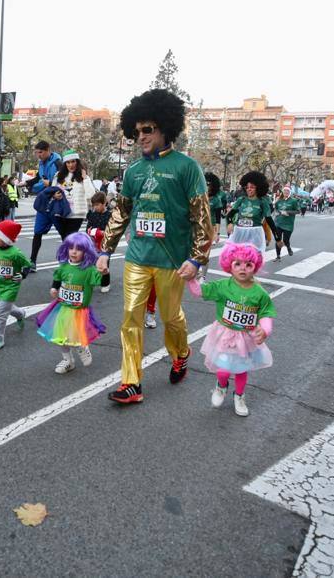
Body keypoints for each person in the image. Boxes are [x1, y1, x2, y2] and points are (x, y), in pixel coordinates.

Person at [97, 89, 214, 404]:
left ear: (166, 127)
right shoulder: (133, 171)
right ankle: (131, 383)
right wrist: (105, 250)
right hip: (137, 258)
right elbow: (121, 212)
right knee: (130, 320)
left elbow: (203, 218)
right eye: (137, 131)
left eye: (147, 130)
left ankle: (181, 352)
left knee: (170, 317)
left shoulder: (187, 168)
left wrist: (198, 258)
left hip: (172, 261)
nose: (141, 137)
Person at [187, 242, 275, 417]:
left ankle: (239, 395)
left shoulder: (260, 293)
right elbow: (200, 292)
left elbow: (266, 313)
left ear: (255, 267)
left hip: (246, 338)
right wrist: (191, 278)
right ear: (229, 265)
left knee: (241, 370)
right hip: (225, 334)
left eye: (248, 265)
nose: (243, 269)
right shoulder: (222, 286)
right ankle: (221, 386)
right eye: (238, 264)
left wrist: (265, 330)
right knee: (223, 369)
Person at [36, 232, 106, 374]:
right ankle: (68, 360)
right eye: (71, 248)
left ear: (86, 252)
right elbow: (57, 278)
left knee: (75, 337)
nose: (74, 252)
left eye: (78, 249)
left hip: (79, 311)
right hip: (62, 307)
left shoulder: (89, 270)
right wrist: (54, 288)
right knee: (58, 338)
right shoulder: (63, 266)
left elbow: (103, 282)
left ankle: (82, 347)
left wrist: (105, 273)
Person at [0, 220, 32, 351]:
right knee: (7, 308)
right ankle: (20, 314)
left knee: (1, 313)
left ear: (6, 239)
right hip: (0, 285)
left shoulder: (15, 253)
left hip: (11, 287)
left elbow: (28, 264)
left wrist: (22, 274)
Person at [26, 141, 64, 272]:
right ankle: (32, 261)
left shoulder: (58, 163)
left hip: (57, 204)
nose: (38, 155)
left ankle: (69, 262)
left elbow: (64, 181)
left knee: (65, 234)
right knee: (37, 232)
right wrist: (26, 183)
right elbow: (38, 177)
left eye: (40, 152)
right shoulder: (41, 163)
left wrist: (52, 186)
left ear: (48, 150)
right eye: (36, 152)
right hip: (44, 204)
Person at [227, 171, 276, 253]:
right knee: (236, 256)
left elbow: (270, 220)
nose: (249, 189)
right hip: (239, 231)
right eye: (247, 187)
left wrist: (277, 238)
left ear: (258, 188)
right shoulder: (241, 200)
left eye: (252, 187)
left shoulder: (262, 202)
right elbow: (230, 214)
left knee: (252, 258)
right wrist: (230, 223)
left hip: (255, 232)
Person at [51, 149, 94, 239]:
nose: (71, 165)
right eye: (68, 162)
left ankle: (66, 253)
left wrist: (85, 178)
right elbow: (51, 191)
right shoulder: (58, 176)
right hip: (60, 212)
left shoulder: (83, 177)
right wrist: (54, 195)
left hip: (77, 214)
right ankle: (66, 253)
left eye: (73, 162)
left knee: (68, 239)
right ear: (65, 164)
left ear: (77, 162)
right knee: (65, 239)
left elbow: (91, 195)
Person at [84, 191, 112, 293]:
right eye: (94, 205)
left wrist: (103, 232)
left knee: (104, 264)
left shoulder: (110, 215)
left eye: (97, 205)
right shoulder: (92, 214)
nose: (95, 207)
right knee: (90, 263)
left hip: (105, 243)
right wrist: (89, 232)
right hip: (93, 242)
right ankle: (91, 281)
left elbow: (112, 230)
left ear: (104, 203)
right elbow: (88, 227)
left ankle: (105, 283)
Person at [273, 186, 301, 261]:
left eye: (287, 191)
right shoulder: (279, 200)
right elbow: (275, 209)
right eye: (284, 191)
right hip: (278, 223)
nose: (286, 192)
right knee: (278, 240)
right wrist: (276, 212)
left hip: (288, 224)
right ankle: (278, 256)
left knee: (285, 240)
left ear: (289, 192)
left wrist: (287, 212)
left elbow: (298, 211)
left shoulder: (293, 201)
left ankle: (288, 247)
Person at [206, 172, 226, 242]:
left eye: (208, 184)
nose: (206, 186)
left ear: (213, 186)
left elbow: (218, 218)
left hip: (211, 227)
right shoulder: (199, 197)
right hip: (198, 226)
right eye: (204, 184)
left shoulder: (216, 199)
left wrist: (217, 233)